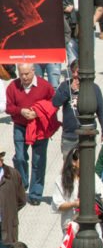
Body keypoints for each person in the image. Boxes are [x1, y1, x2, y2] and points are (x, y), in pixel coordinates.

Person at [6, 64, 56, 206]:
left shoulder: (45, 86)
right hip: (20, 126)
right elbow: (8, 106)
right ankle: (23, 183)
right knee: (20, 157)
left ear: (34, 71)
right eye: (21, 74)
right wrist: (21, 111)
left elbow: (53, 103)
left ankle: (35, 193)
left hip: (39, 127)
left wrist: (38, 112)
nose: (24, 77)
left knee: (38, 161)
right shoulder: (13, 86)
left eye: (27, 74)